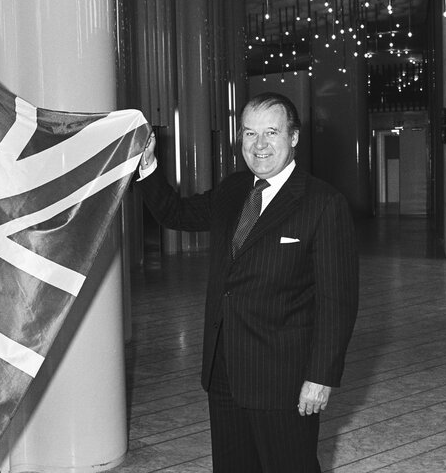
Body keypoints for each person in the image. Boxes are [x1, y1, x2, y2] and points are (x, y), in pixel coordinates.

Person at [136, 92, 359, 472]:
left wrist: (320, 377)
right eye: (249, 133)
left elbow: (337, 301)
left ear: (294, 137)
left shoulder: (323, 203)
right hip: (224, 371)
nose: (259, 145)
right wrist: (147, 164)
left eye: (271, 132)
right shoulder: (233, 190)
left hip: (283, 381)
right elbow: (174, 212)